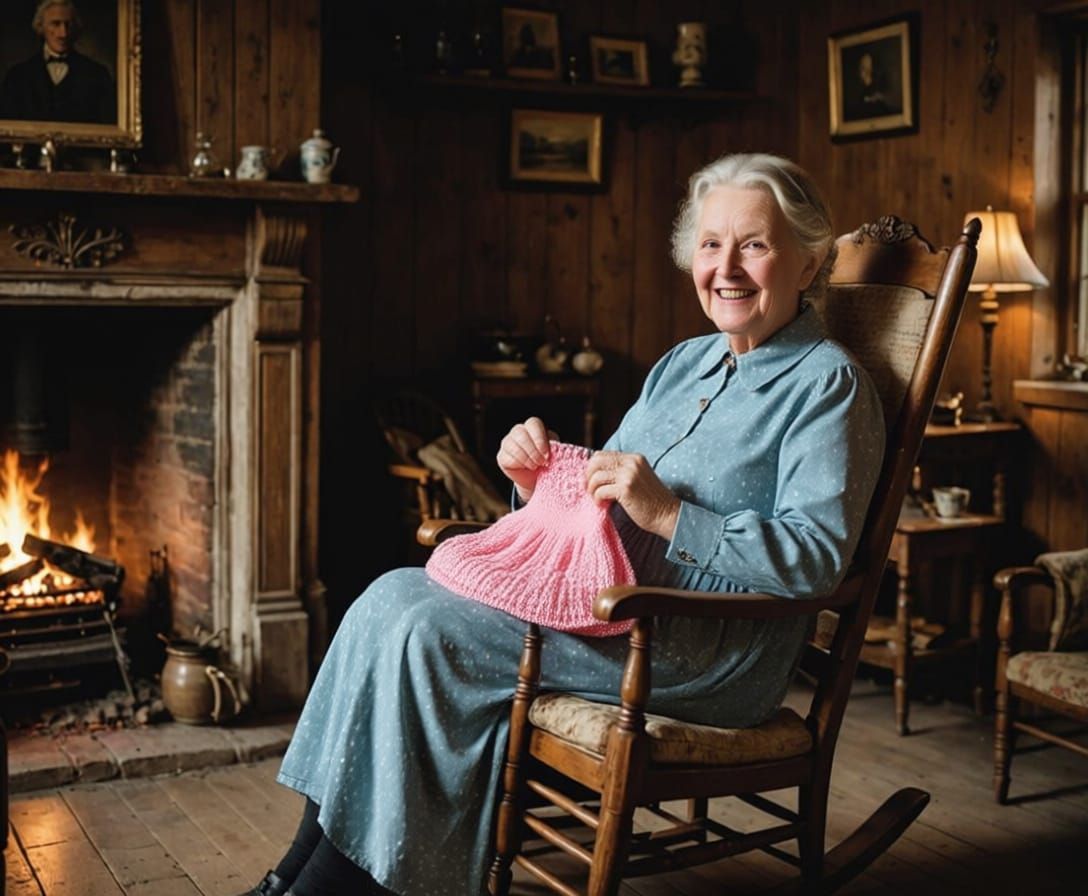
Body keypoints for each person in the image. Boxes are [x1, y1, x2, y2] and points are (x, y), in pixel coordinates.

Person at [239, 153, 885, 896]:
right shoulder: (683, 363)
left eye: (755, 245)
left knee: (428, 637)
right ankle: (293, 875)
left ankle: (339, 889)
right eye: (711, 244)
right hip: (606, 609)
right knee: (388, 597)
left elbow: (816, 562)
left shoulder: (829, 386)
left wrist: (671, 515)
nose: (727, 268)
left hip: (701, 646)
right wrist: (531, 484)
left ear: (807, 264)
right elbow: (595, 503)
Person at [0, 0, 116, 124]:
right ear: (41, 26)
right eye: (55, 24)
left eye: (68, 25)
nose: (63, 33)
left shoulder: (98, 75)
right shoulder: (17, 77)